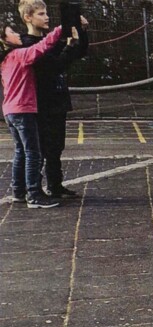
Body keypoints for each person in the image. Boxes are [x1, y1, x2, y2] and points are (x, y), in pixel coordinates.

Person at [19, 0, 88, 198]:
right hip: (41, 101)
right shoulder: (28, 43)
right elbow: (53, 66)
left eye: (46, 13)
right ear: (28, 17)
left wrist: (81, 33)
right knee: (40, 148)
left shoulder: (48, 40)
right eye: (41, 14)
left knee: (56, 147)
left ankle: (55, 184)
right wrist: (68, 47)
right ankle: (32, 188)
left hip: (56, 99)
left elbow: (77, 53)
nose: (46, 17)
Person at [1, 17, 65, 208]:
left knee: (20, 151)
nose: (17, 34)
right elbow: (41, 47)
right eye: (12, 32)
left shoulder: (4, 61)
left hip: (10, 110)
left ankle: (18, 191)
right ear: (4, 40)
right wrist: (61, 29)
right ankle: (34, 194)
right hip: (24, 109)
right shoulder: (18, 55)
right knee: (33, 153)